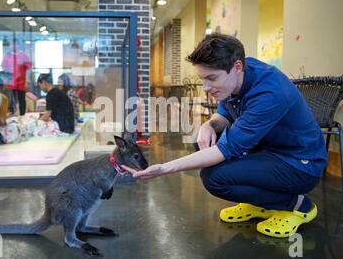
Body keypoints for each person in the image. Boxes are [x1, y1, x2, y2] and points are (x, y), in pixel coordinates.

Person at [123, 33, 328, 239]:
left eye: (212, 78)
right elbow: (225, 112)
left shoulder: (269, 94)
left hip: (299, 164)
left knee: (215, 178)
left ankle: (299, 205)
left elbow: (225, 150)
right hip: (268, 148)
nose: (206, 87)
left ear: (237, 67)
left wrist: (164, 168)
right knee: (202, 142)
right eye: (202, 78)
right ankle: (260, 203)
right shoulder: (240, 74)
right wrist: (209, 124)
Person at [1, 40, 31, 116]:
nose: (13, 46)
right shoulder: (7, 56)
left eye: (15, 44)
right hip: (10, 82)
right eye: (12, 44)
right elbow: (4, 69)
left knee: (21, 100)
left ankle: (22, 115)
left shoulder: (24, 56)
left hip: (21, 82)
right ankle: (11, 115)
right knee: (10, 99)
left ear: (18, 45)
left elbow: (28, 70)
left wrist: (27, 81)